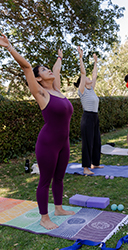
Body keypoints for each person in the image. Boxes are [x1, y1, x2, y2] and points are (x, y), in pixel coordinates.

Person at [0, 34, 75, 230]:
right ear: (39, 78)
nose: (48, 70)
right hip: (48, 143)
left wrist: (58, 59)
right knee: (45, 180)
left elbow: (56, 70)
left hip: (64, 142)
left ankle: (58, 208)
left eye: (47, 68)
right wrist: (9, 47)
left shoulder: (57, 89)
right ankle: (44, 218)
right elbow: (26, 67)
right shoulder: (41, 93)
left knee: (59, 178)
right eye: (44, 70)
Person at [74, 46, 102, 175]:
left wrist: (96, 62)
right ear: (82, 83)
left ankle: (95, 163)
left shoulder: (91, 89)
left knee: (96, 140)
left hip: (95, 117)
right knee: (87, 142)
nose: (89, 78)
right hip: (87, 117)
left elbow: (94, 74)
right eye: (86, 78)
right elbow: (83, 73)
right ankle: (86, 168)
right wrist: (81, 58)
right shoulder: (83, 91)